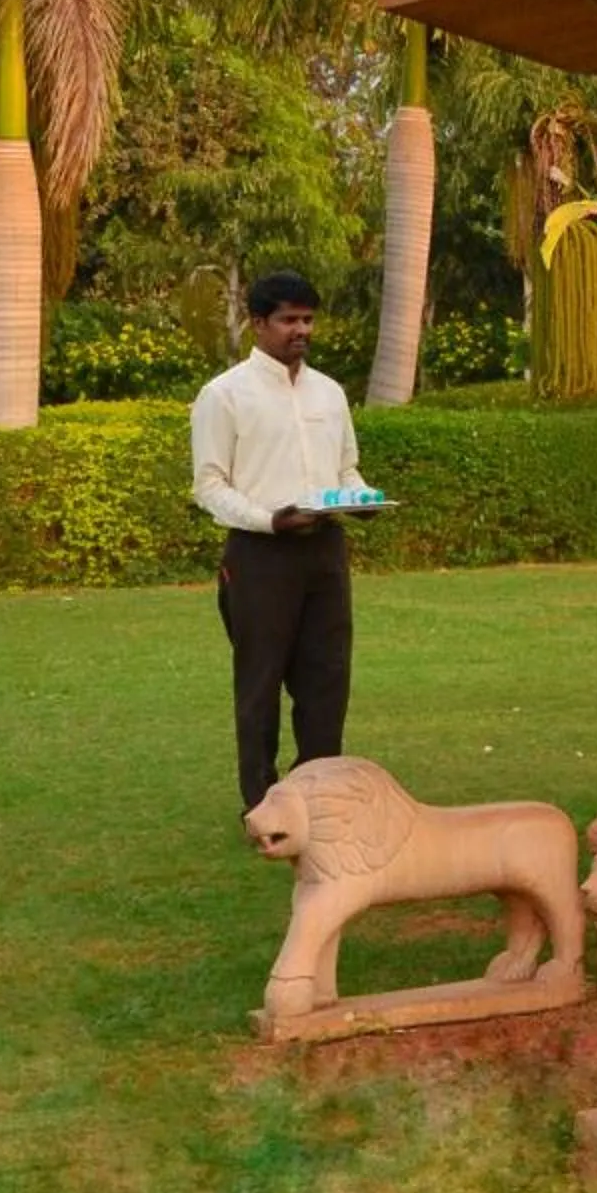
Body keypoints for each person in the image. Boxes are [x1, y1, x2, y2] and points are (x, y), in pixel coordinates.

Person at [191, 271, 374, 813]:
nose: (301, 330)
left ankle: (317, 800)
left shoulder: (330, 392)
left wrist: (360, 499)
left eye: (308, 319)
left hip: (324, 552)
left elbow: (346, 469)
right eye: (289, 319)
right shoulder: (224, 395)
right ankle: (264, 806)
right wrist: (270, 520)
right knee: (260, 684)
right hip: (259, 555)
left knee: (327, 681)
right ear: (259, 322)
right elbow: (210, 485)